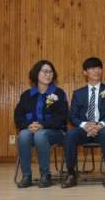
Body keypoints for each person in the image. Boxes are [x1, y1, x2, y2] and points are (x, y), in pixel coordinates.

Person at [62, 57, 105, 188]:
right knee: (70, 134)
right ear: (85, 72)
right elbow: (73, 116)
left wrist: (100, 125)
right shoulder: (78, 93)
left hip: (104, 127)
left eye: (99, 68)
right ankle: (71, 173)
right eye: (93, 68)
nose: (97, 71)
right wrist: (85, 125)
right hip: (84, 129)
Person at [13, 60, 68, 188]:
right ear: (36, 73)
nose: (48, 75)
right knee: (23, 135)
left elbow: (61, 117)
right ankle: (26, 176)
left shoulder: (59, 93)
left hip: (56, 132)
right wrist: (28, 125)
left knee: (40, 135)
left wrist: (42, 125)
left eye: (51, 72)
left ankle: (45, 175)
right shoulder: (26, 95)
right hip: (32, 130)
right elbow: (18, 116)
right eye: (45, 72)